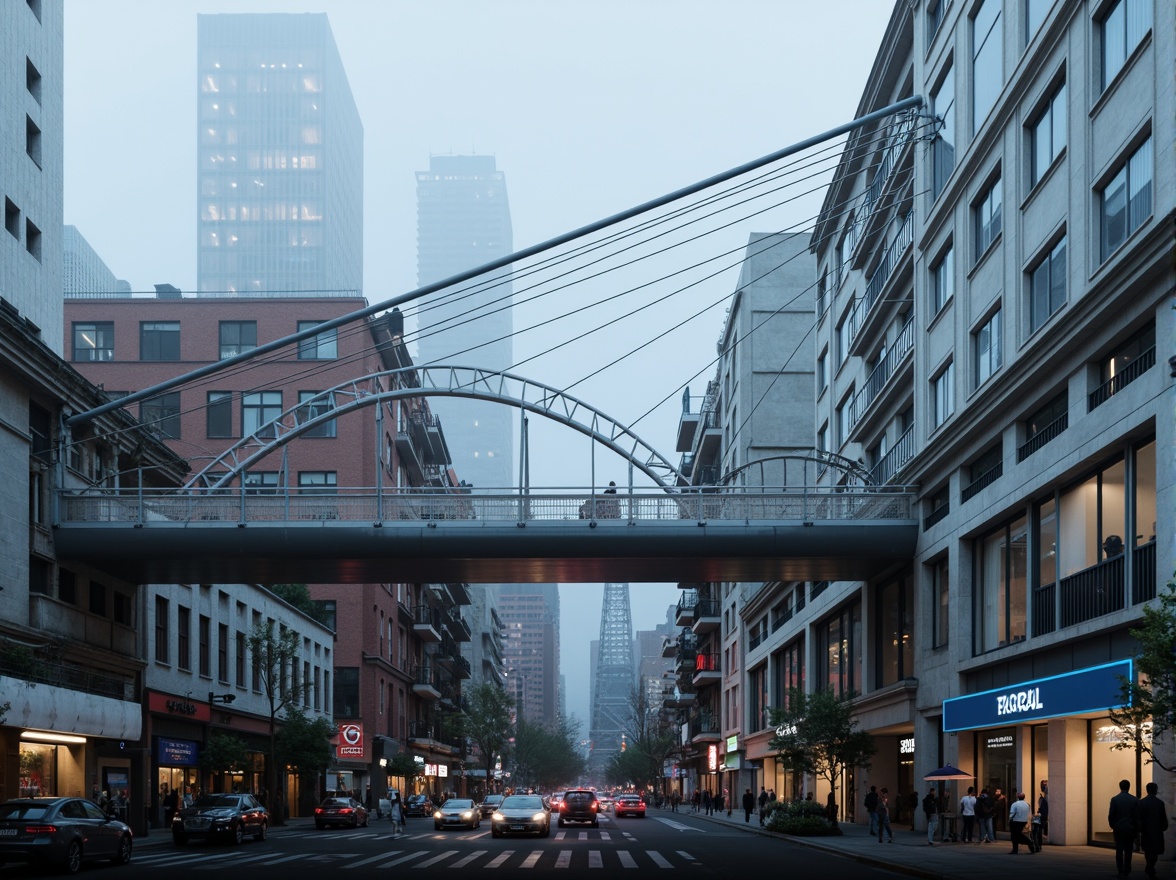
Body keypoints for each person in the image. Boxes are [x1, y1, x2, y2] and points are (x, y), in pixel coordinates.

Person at [1109, 778, 1141, 876]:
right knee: (1128, 849)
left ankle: (1120, 868)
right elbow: (1137, 816)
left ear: (1120, 787)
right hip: (1130, 828)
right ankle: (1127, 867)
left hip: (1119, 828)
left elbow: (1111, 815)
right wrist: (1136, 828)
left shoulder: (1115, 799)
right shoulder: (1134, 800)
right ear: (1129, 787)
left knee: (1119, 849)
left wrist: (1113, 825)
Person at [1139, 781, 1168, 878]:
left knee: (1147, 850)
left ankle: (1149, 867)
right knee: (1155, 852)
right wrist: (1164, 826)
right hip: (1157, 830)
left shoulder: (1141, 803)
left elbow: (1139, 817)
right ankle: (1150, 867)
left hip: (1146, 830)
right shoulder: (1159, 803)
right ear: (1155, 790)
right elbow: (1163, 818)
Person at [1032, 779, 1048, 851]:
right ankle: (1037, 845)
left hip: (1041, 816)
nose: (1044, 787)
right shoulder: (1043, 798)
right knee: (1037, 831)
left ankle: (1037, 845)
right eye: (1043, 785)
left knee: (1037, 831)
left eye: (1045, 785)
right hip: (1040, 815)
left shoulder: (1045, 798)